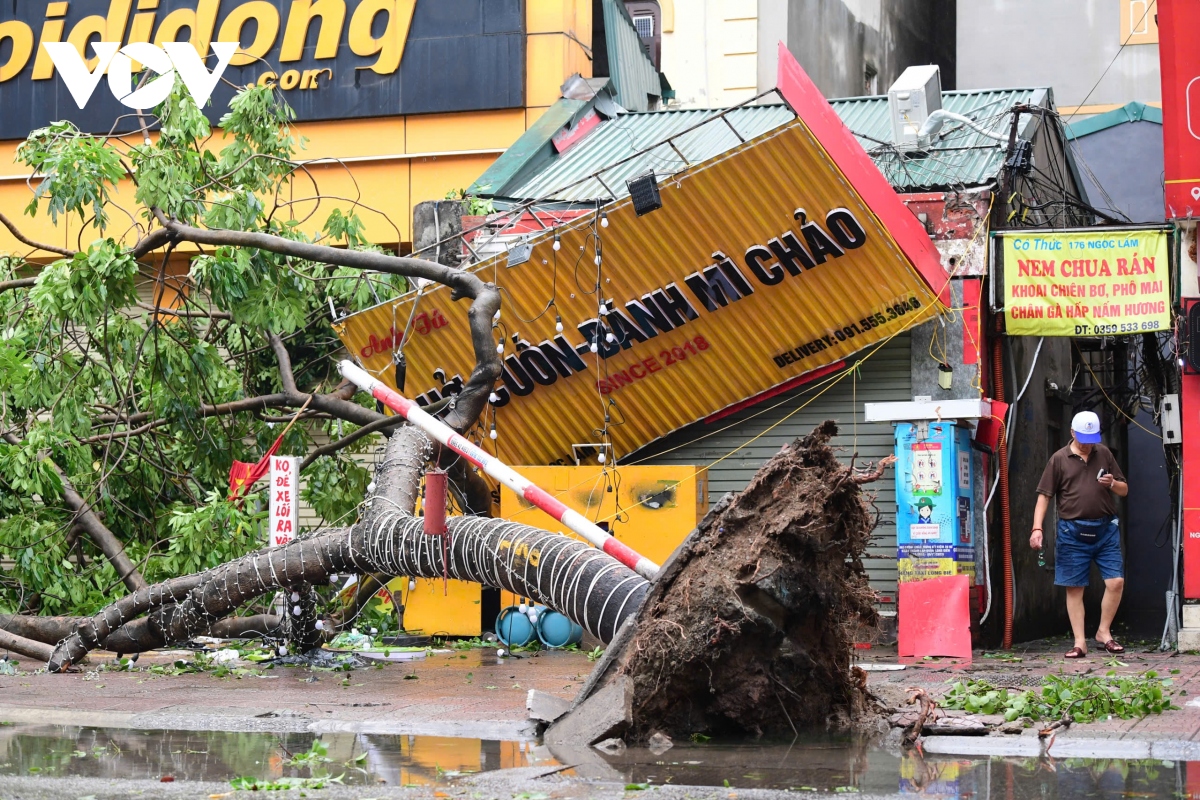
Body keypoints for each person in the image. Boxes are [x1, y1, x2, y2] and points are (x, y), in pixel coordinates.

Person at [1030, 410, 1128, 659]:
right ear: (1072, 433)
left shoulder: (1103, 453)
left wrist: (1112, 484)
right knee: (1074, 587)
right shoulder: (1059, 459)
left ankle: (1104, 633)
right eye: (1083, 437)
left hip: (1105, 530)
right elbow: (1044, 496)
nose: (1087, 443)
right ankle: (1079, 642)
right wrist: (1037, 528)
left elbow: (1124, 489)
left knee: (1115, 582)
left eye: (1091, 437)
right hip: (1072, 532)